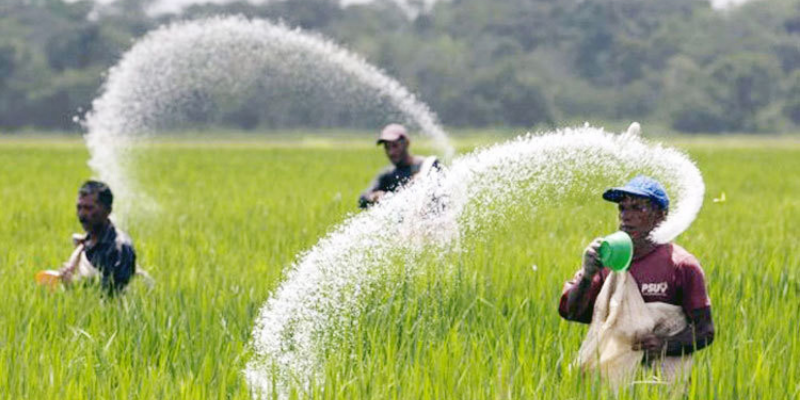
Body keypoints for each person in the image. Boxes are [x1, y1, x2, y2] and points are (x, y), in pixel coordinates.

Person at [558, 175, 714, 362]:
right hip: (611, 377)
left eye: (638, 208)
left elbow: (705, 331)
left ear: (661, 216)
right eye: (622, 208)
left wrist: (665, 345)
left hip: (664, 381)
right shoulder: (606, 259)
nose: (626, 216)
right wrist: (587, 276)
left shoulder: (681, 265)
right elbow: (573, 312)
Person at [60, 180, 136, 294]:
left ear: (108, 211)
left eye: (89, 208)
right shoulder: (85, 243)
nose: (81, 215)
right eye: (79, 207)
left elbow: (116, 292)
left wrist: (75, 284)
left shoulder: (119, 248)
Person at [358, 124, 439, 209]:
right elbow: (362, 199)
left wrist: (422, 180)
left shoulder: (428, 165)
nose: (391, 152)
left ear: (407, 143)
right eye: (387, 147)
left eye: (395, 146)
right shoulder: (388, 175)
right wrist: (374, 196)